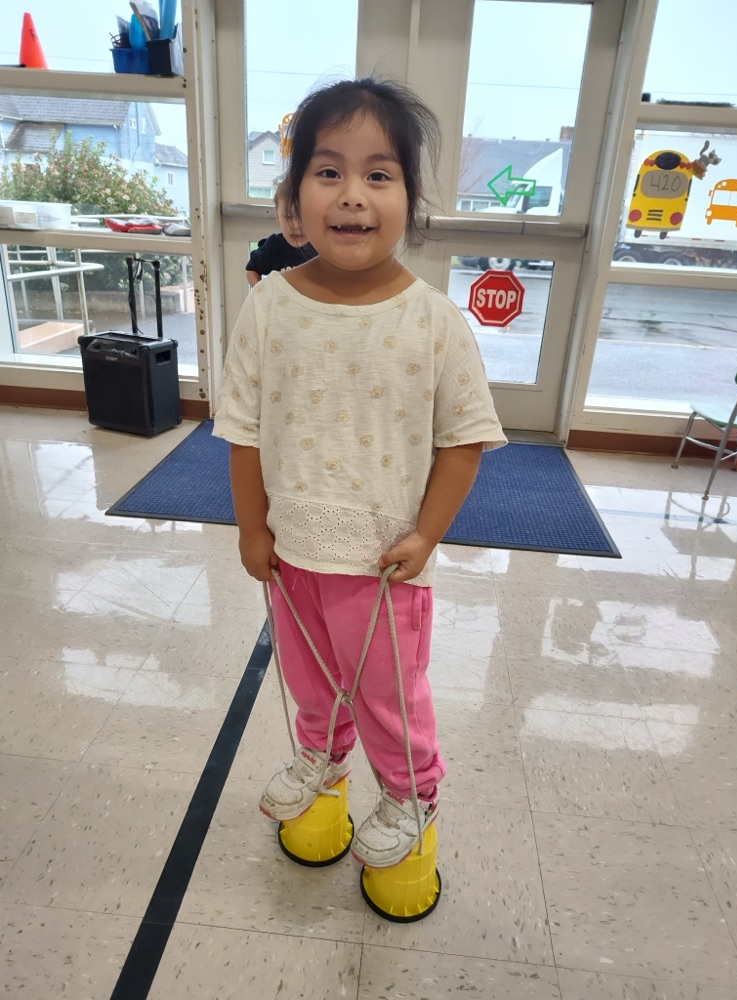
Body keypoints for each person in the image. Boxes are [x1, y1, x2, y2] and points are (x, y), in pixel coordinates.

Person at [213, 77, 506, 869]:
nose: (352, 195)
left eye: (379, 174)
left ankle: (413, 791)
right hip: (291, 550)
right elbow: (242, 428)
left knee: (386, 694)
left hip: (383, 562)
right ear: (292, 199)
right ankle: (323, 760)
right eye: (328, 171)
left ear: (410, 200)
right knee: (309, 682)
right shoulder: (268, 306)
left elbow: (464, 440)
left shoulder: (436, 321)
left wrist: (426, 535)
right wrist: (251, 526)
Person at [245, 177, 317, 286]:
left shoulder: (322, 247)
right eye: (288, 217)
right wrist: (260, 294)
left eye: (305, 217)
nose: (296, 226)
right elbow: (251, 269)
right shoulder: (273, 247)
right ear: (278, 216)